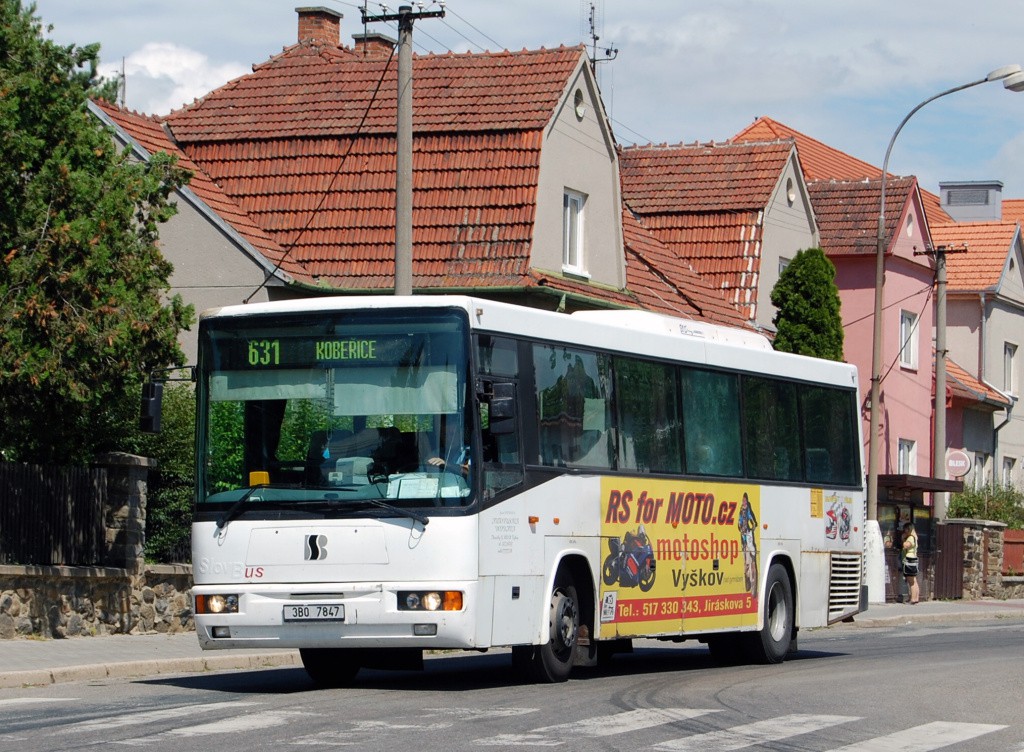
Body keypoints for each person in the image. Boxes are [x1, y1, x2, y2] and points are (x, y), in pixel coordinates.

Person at [901, 521, 920, 605]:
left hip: (909, 560)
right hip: (913, 559)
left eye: (905, 529)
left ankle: (912, 599)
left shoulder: (911, 538)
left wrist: (903, 539)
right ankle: (916, 598)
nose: (905, 531)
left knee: (911, 581)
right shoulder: (914, 537)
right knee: (914, 580)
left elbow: (906, 545)